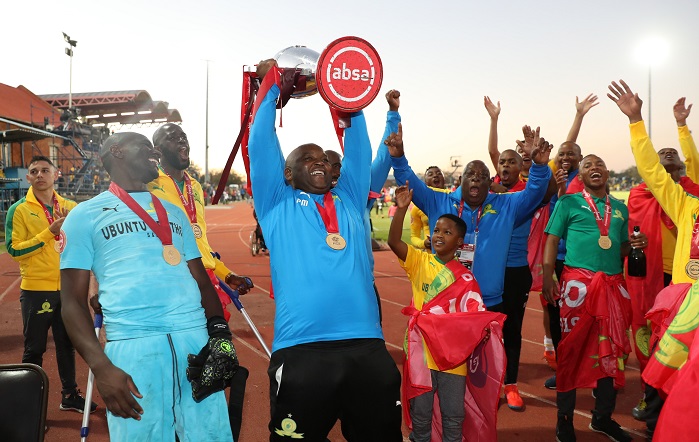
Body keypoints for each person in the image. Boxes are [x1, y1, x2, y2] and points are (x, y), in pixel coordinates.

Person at [249, 60, 402, 441]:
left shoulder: (349, 198)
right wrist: (271, 88)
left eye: (323, 158)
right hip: (302, 351)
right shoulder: (275, 203)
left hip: (367, 347)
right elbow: (260, 142)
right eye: (307, 158)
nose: (319, 161)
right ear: (287, 173)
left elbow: (359, 147)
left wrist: (350, 99)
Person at [59, 133, 235, 441]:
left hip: (194, 341)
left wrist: (220, 335)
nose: (154, 151)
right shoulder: (83, 216)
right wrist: (101, 367)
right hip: (133, 345)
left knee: (211, 435)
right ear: (117, 151)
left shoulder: (175, 212)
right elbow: (72, 302)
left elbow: (202, 282)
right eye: (144, 145)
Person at [608, 80, 699, 440]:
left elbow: (690, 162)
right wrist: (635, 120)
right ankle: (658, 413)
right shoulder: (687, 205)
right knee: (670, 363)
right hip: (677, 300)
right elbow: (651, 170)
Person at [542, 152, 647, 442]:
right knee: (572, 353)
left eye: (599, 164)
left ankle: (602, 418)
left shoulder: (621, 208)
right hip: (579, 289)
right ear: (581, 175)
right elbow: (551, 239)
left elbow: (621, 248)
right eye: (587, 165)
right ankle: (564, 419)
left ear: (608, 173)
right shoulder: (568, 202)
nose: (594, 168)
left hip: (613, 288)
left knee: (611, 353)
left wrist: (636, 245)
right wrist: (549, 274)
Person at [388, 182, 504, 442]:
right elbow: (394, 241)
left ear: (459, 241)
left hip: (454, 357)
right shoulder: (419, 261)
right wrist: (401, 209)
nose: (439, 235)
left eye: (447, 232)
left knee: (453, 412)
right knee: (422, 410)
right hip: (422, 351)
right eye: (437, 230)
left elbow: (475, 318)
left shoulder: (467, 279)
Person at [4, 155, 96, 414]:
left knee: (67, 344)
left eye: (46, 170)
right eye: (35, 171)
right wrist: (49, 232)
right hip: (36, 290)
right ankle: (27, 405)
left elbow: (86, 243)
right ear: (28, 178)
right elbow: (14, 249)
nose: (40, 174)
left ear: (56, 175)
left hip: (67, 289)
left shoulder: (71, 206)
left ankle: (69, 395)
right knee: (34, 349)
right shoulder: (19, 210)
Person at [148, 123, 253, 323]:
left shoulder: (194, 186)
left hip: (205, 280)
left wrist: (227, 275)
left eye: (183, 136)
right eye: (172, 137)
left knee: (216, 347)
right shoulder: (149, 184)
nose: (181, 140)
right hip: (172, 283)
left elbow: (200, 242)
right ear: (158, 150)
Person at [409, 166, 449, 250]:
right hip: (431, 257)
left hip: (453, 256)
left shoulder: (453, 201)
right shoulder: (417, 208)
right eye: (430, 174)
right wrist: (423, 243)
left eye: (439, 174)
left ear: (444, 179)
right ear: (425, 181)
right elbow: (414, 236)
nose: (435, 176)